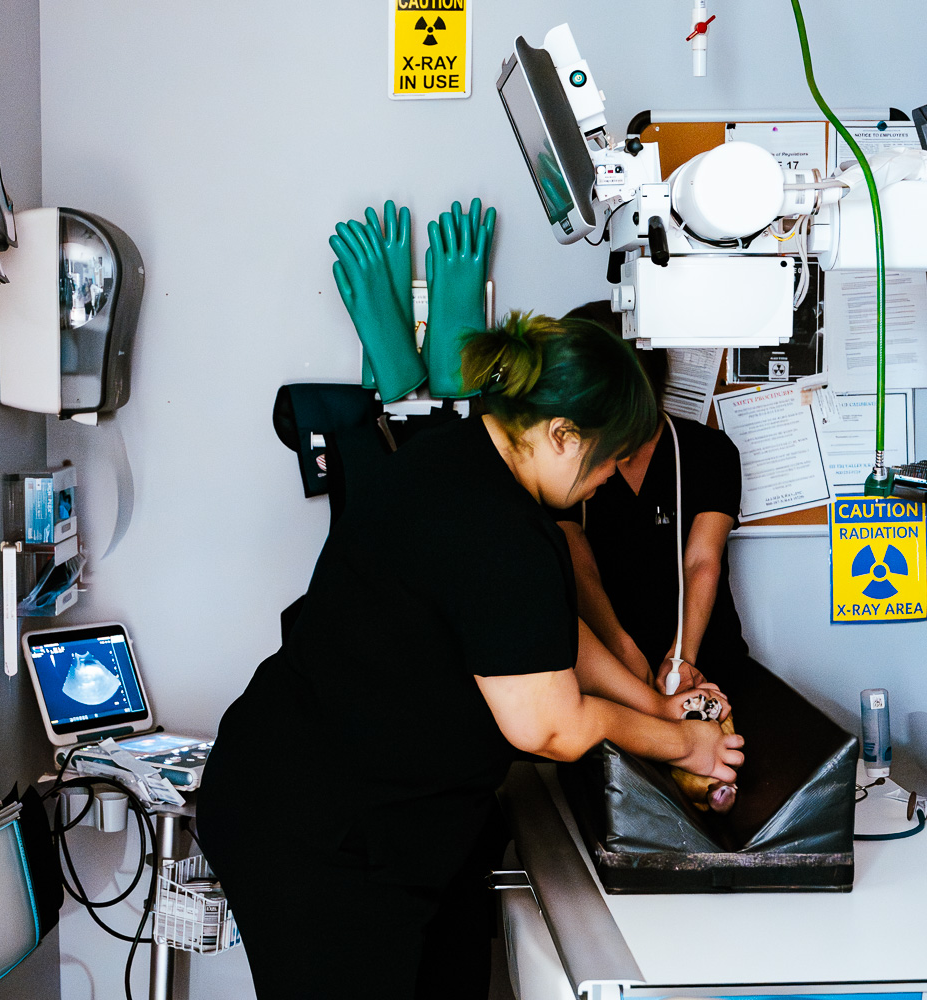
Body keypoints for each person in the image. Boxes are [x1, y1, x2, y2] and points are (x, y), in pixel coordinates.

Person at [196, 312, 744, 1000]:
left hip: (373, 812)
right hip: (322, 830)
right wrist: (679, 744)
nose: (609, 478)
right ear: (561, 435)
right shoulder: (493, 528)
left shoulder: (458, 458)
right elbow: (550, 725)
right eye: (607, 458)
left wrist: (653, 700)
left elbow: (546, 632)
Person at [556, 303, 748, 807]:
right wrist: (625, 658)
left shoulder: (709, 454)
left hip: (702, 661)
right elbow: (580, 569)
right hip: (607, 673)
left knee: (716, 795)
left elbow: (701, 561)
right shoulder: (568, 462)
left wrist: (682, 657)